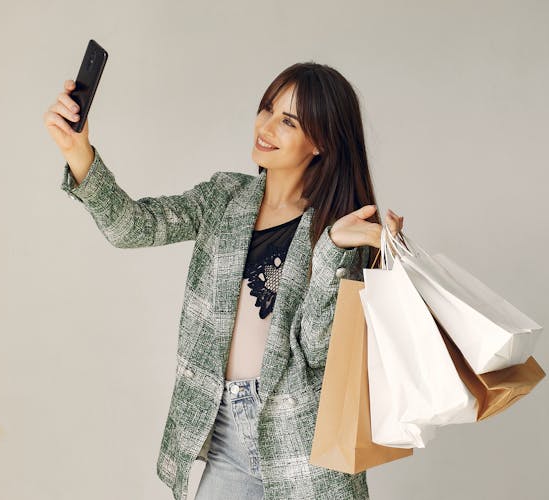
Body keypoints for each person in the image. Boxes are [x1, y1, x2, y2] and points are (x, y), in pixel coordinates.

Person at [44, 61, 404, 500]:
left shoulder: (338, 230)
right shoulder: (224, 198)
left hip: (304, 446)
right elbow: (132, 227)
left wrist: (333, 251)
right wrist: (77, 150)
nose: (266, 127)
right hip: (227, 436)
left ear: (321, 142)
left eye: (288, 121)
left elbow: (317, 350)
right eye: (267, 109)